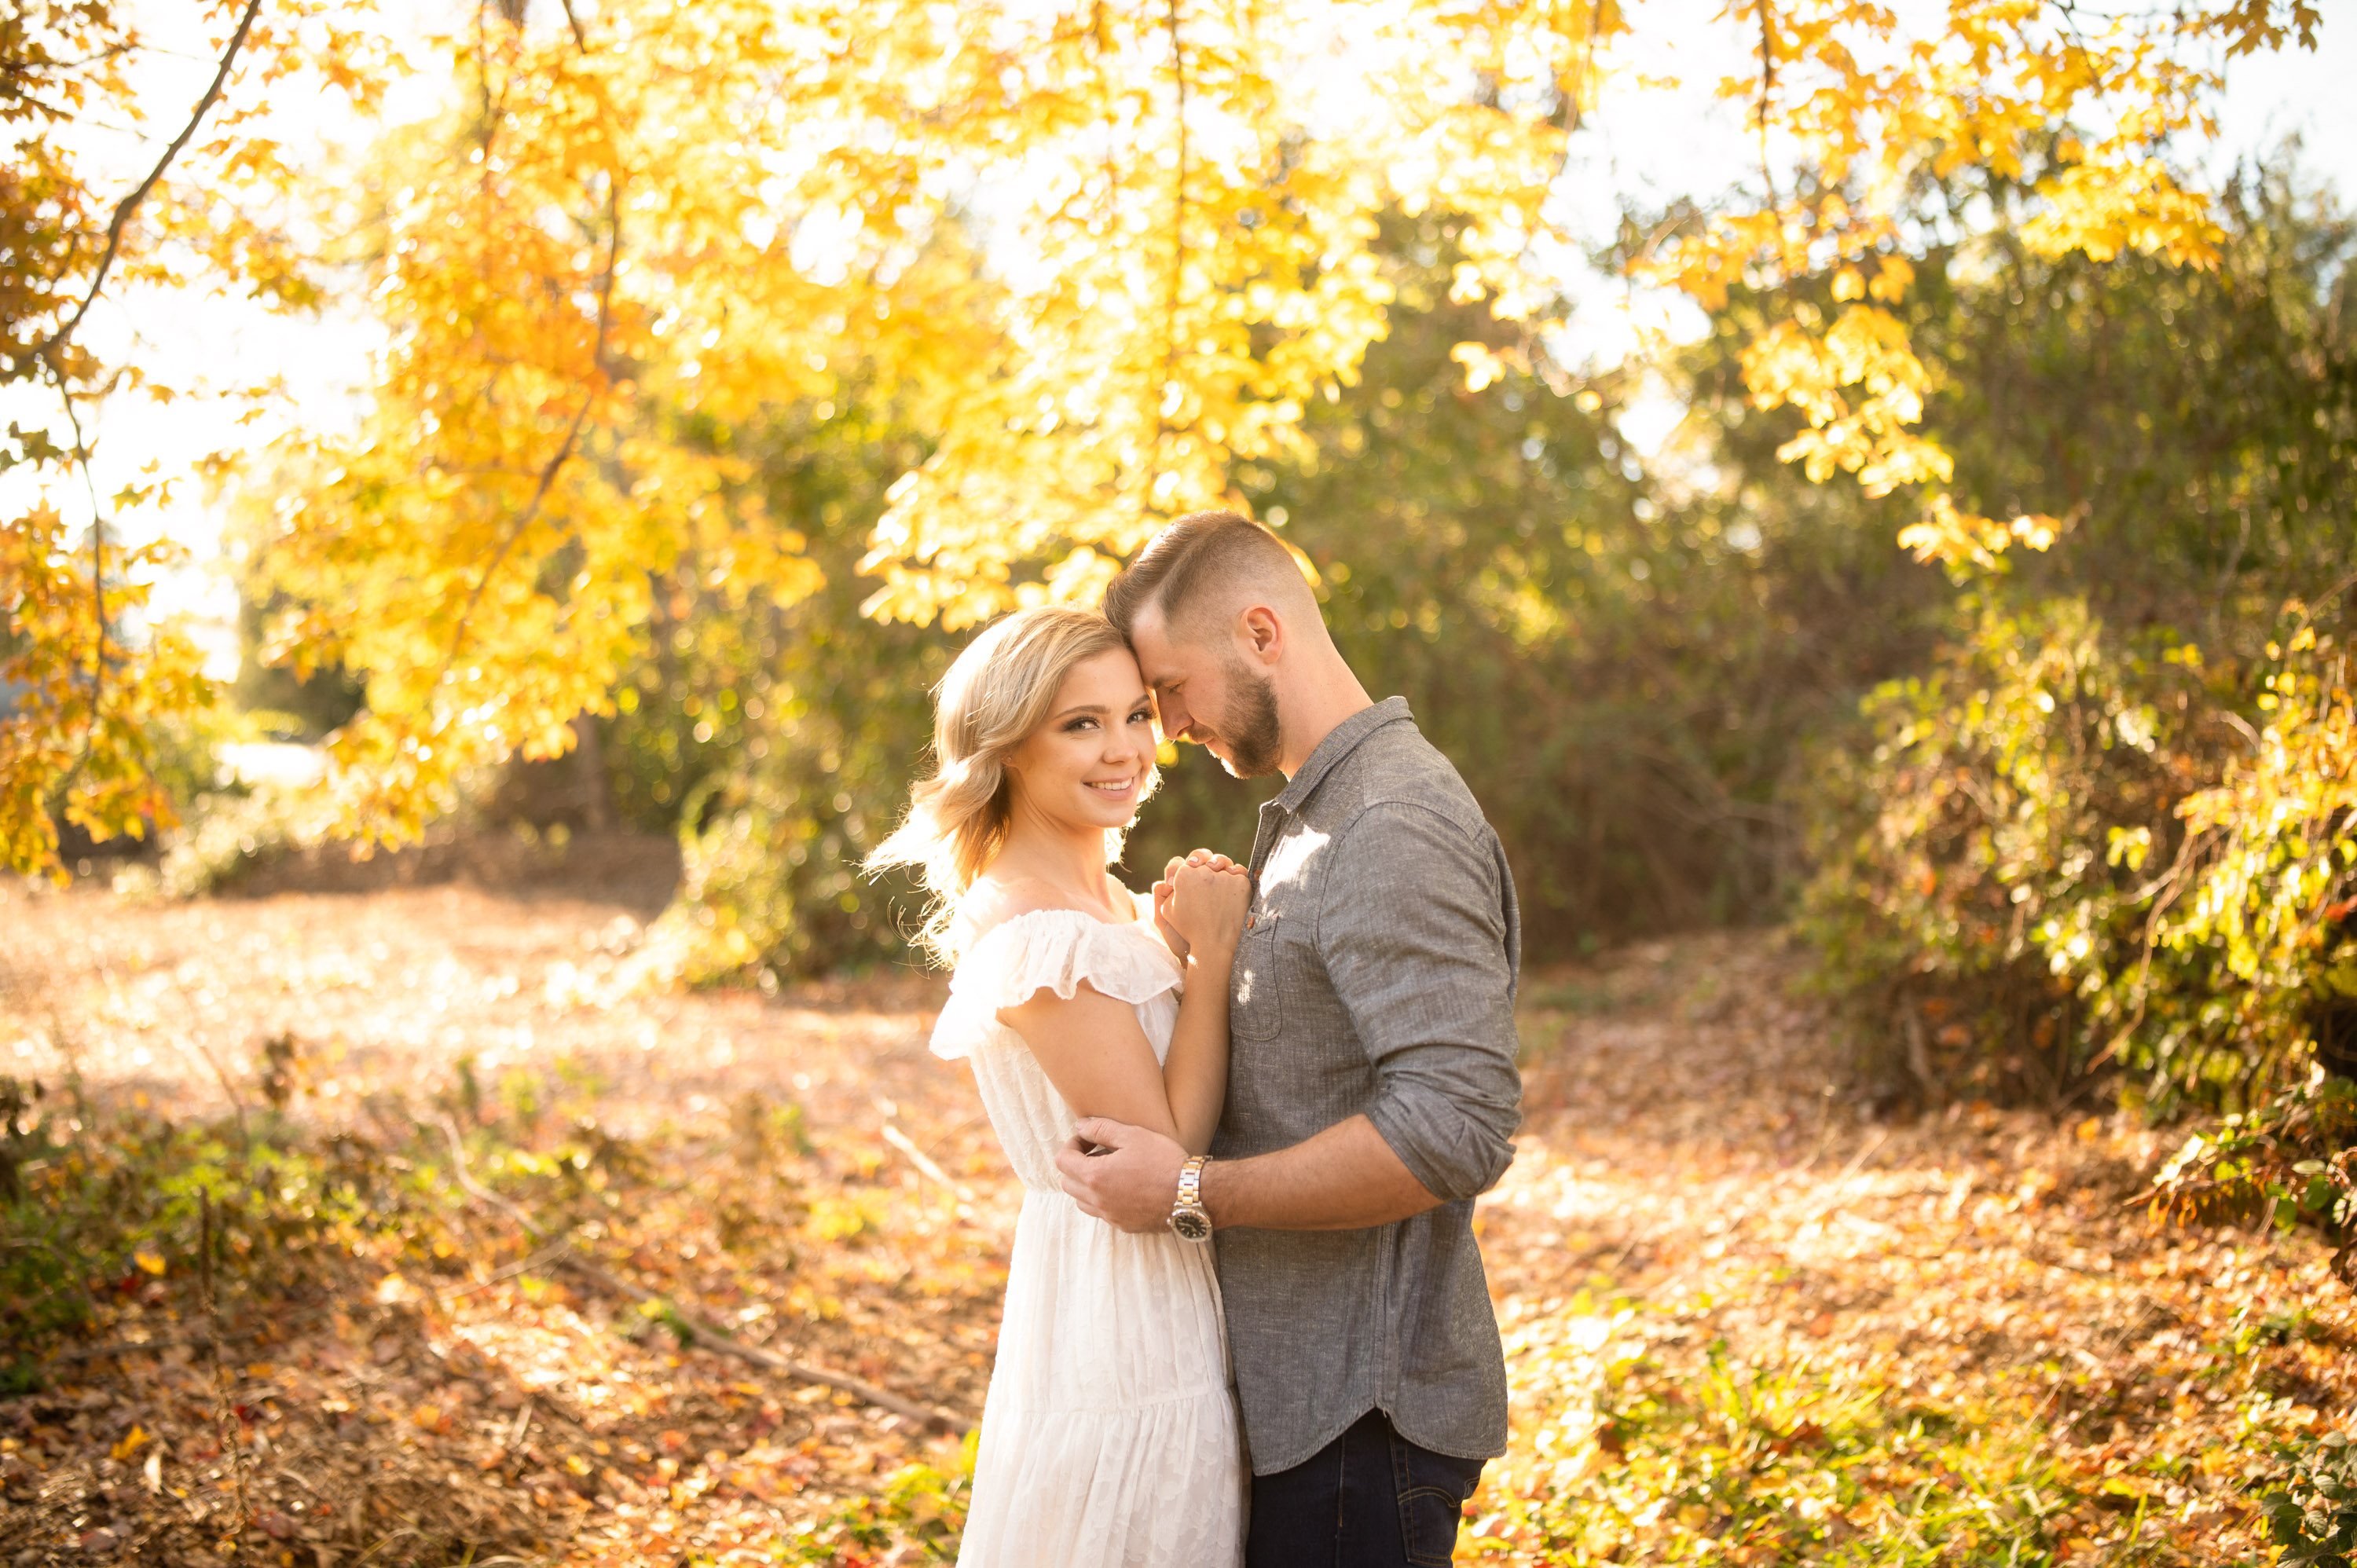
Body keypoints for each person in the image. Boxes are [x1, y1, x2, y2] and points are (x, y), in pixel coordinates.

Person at [1056, 511, 1524, 1567]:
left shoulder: (1388, 822)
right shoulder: (1320, 817)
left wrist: (1190, 1190)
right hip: (1304, 1413)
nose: (1164, 726)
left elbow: (1454, 1129)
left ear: (1261, 634)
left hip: (1363, 1423)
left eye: (1169, 688)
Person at [867, 605, 1254, 1567]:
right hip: (1123, 1304)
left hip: (1172, 1287)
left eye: (1135, 716)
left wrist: (1169, 942)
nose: (1124, 749)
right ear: (1007, 747)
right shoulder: (1038, 929)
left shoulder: (1106, 904)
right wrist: (1209, 958)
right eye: (1081, 723)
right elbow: (1168, 1148)